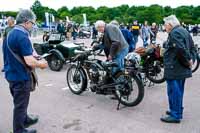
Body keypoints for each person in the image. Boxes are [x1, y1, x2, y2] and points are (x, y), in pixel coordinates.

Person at [3, 9, 48, 133]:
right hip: (20, 76)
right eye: (32, 23)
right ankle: (19, 130)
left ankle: (25, 119)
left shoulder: (10, 33)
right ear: (27, 22)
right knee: (20, 105)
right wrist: (41, 64)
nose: (33, 26)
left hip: (11, 74)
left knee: (20, 102)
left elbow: (16, 53)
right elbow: (29, 61)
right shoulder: (22, 35)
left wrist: (35, 56)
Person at [161, 15, 193, 123]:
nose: (164, 27)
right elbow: (192, 47)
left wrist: (187, 61)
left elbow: (180, 49)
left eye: (165, 25)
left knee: (174, 91)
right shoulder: (183, 30)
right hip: (180, 67)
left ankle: (175, 115)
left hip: (175, 67)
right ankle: (177, 110)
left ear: (170, 25)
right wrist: (190, 60)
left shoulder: (174, 32)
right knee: (178, 91)